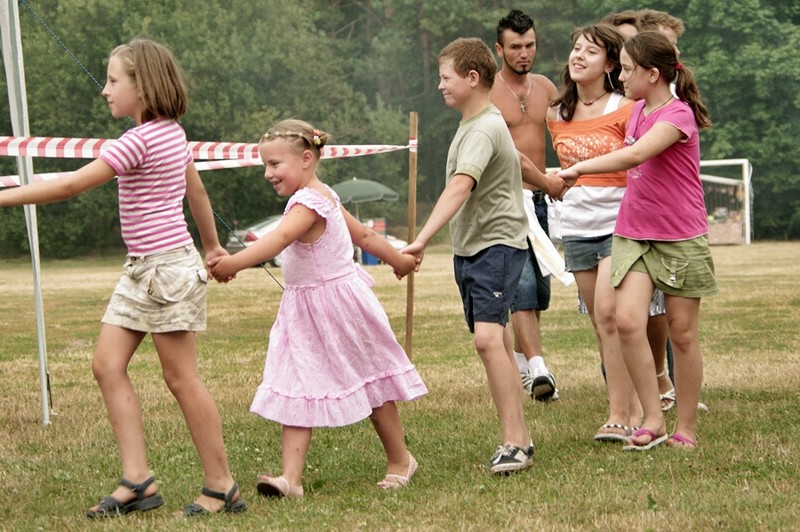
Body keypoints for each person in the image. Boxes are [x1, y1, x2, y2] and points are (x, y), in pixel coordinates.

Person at [0, 39, 246, 517]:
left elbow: (71, 185)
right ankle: (138, 480)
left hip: (165, 271)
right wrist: (213, 246)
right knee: (107, 366)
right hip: (142, 269)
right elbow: (196, 190)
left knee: (181, 379)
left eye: (113, 81)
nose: (105, 90)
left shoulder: (139, 140)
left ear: (143, 86)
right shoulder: (172, 134)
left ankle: (222, 486)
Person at [208, 119, 427, 497]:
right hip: (305, 309)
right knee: (298, 383)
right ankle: (290, 480)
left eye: (275, 164)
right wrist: (398, 260)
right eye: (265, 165)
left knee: (373, 382)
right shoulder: (325, 195)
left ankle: (400, 459)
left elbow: (280, 238)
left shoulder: (311, 201)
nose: (267, 173)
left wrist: (233, 263)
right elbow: (364, 236)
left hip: (338, 306)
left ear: (306, 159)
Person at [557, 31, 717, 450]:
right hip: (632, 233)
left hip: (679, 236)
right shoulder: (638, 111)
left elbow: (635, 155)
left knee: (682, 333)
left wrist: (579, 169)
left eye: (627, 70)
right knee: (627, 321)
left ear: (653, 74)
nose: (622, 77)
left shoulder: (677, 115)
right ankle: (652, 419)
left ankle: (685, 427)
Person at [403, 37, 535, 474]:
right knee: (497, 339)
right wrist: (549, 182)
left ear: (472, 78)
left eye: (446, 78)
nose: (440, 85)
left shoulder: (481, 128)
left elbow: (461, 185)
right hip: (475, 247)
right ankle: (522, 438)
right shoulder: (479, 122)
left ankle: (514, 443)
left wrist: (422, 239)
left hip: (495, 244)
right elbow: (514, 160)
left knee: (487, 339)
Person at [546, 24, 640, 441]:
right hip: (576, 229)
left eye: (591, 51)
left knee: (608, 314)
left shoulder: (627, 106)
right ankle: (631, 404)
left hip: (620, 225)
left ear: (610, 64)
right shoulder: (556, 113)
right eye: (576, 49)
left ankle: (621, 413)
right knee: (601, 326)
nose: (579, 56)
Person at [490, 9, 561, 401]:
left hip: (541, 199)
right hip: (505, 200)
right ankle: (538, 369)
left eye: (529, 45)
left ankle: (520, 365)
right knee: (523, 285)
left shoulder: (546, 87)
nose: (524, 53)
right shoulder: (487, 92)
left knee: (540, 292)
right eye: (515, 46)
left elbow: (573, 126)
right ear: (499, 49)